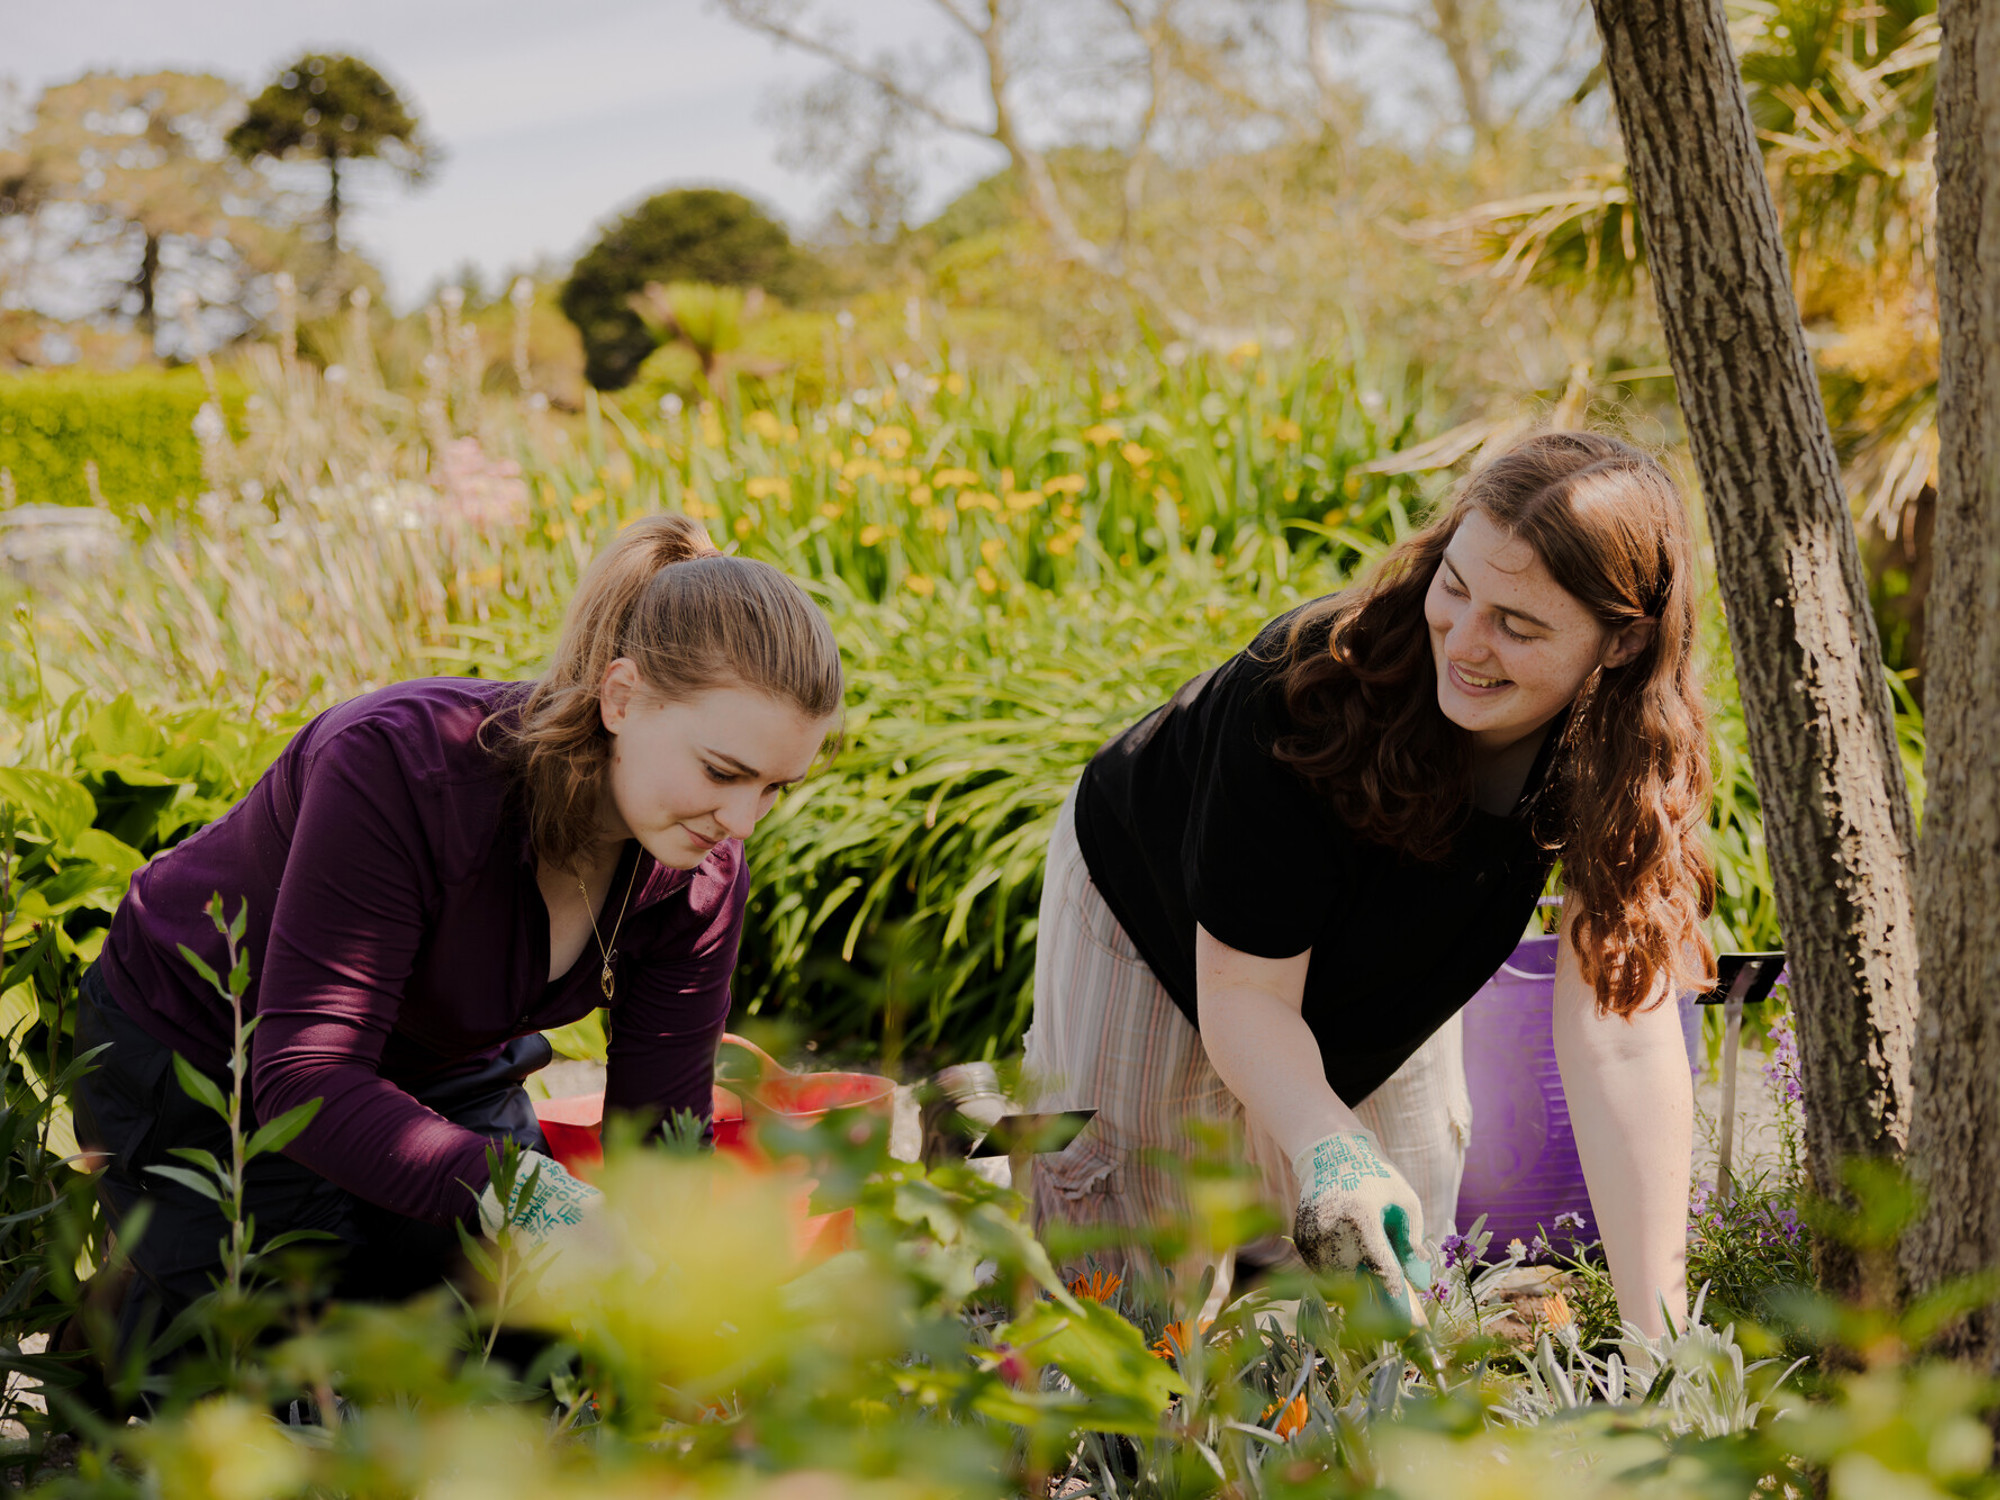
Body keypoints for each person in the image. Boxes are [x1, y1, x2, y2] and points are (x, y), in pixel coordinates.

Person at [74, 514, 843, 1357]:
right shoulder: (402, 770)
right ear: (621, 698)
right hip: (206, 1059)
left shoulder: (698, 869)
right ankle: (121, 1313)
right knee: (288, 1387)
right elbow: (303, 1079)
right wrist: (529, 1196)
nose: (742, 821)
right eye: (723, 772)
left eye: (774, 788)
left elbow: (660, 1134)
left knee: (525, 1356)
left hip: (440, 1072)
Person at [1025, 431, 1712, 1333]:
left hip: (1378, 960)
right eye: (1456, 588)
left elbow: (1620, 1032)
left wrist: (1659, 1343)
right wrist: (1331, 1147)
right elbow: (1247, 993)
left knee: (1386, 1292)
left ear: (1620, 644)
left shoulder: (1623, 756)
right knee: (1136, 1307)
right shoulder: (1307, 690)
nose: (1463, 644)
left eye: (1518, 624)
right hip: (1157, 927)